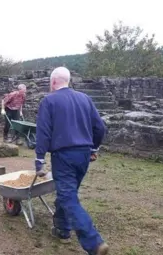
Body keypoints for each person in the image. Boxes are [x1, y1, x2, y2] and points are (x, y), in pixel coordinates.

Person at [34, 67, 109, 255]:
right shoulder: (85, 98)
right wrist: (94, 148)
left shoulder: (49, 100)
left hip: (64, 156)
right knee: (68, 193)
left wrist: (39, 159)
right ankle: (62, 229)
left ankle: (94, 242)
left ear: (52, 82)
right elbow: (99, 127)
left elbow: (43, 132)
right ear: (68, 81)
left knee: (68, 196)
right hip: (83, 155)